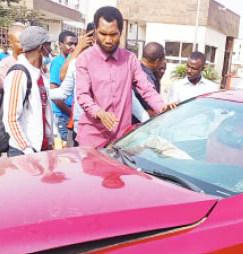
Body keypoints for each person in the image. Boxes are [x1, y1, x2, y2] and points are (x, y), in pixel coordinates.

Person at [74, 6, 172, 148]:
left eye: (113, 34)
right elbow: (82, 96)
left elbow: (146, 89)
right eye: (103, 33)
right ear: (95, 31)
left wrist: (162, 107)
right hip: (92, 139)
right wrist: (100, 113)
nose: (108, 40)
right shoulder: (85, 59)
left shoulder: (130, 59)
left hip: (121, 140)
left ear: (121, 32)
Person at [3, 26, 55, 156]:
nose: (51, 49)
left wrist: (49, 141)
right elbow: (11, 119)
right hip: (24, 152)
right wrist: (27, 150)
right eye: (48, 45)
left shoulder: (39, 74)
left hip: (39, 149)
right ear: (40, 47)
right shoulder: (18, 74)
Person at [50, 30, 77, 145]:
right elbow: (55, 95)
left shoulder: (72, 61)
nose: (73, 47)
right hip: (63, 116)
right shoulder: (58, 63)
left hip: (70, 115)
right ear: (60, 44)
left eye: (76, 44)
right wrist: (71, 113)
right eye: (70, 44)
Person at [133, 42, 166, 121]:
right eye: (162, 61)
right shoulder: (147, 79)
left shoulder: (134, 68)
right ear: (157, 62)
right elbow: (150, 111)